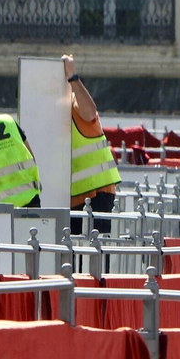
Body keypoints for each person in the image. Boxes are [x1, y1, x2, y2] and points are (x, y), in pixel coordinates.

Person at [63, 55, 122, 234]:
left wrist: (72, 77)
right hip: (73, 195)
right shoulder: (53, 111)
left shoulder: (74, 102)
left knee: (95, 253)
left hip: (97, 191)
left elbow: (90, 112)